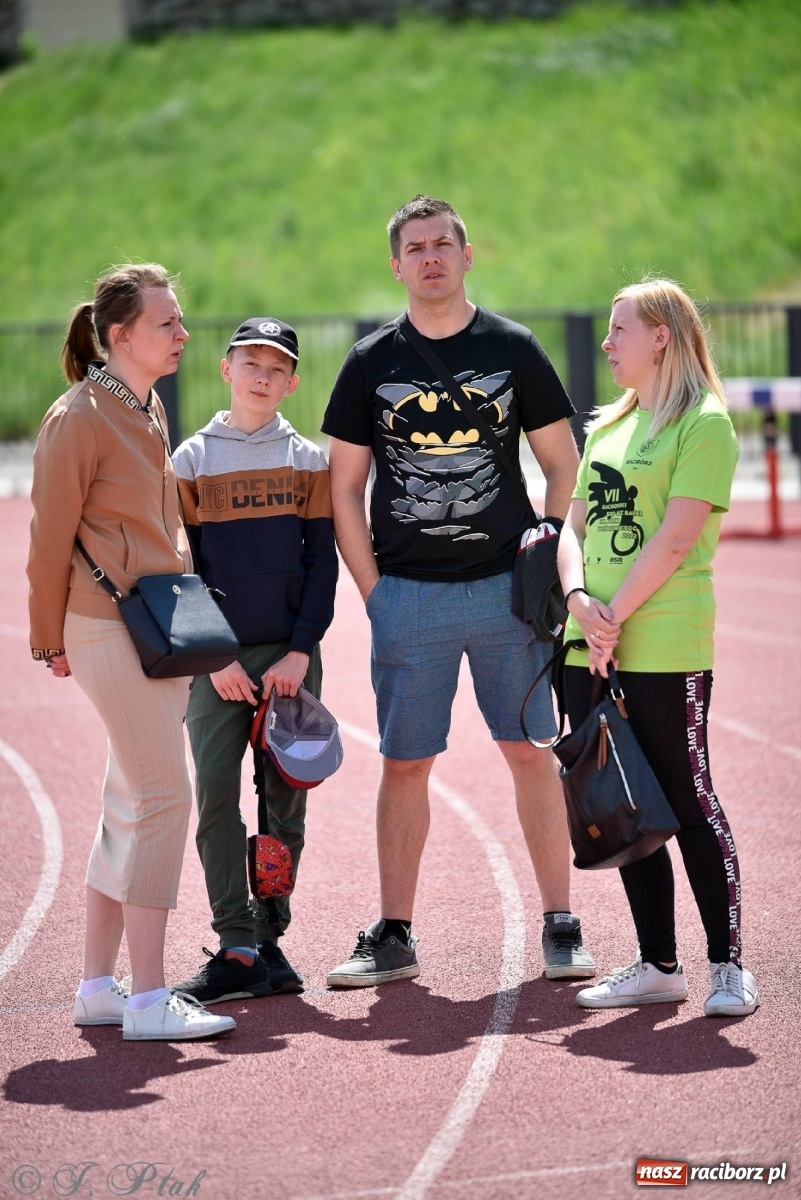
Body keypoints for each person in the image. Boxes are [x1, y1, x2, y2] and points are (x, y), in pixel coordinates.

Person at [321, 195, 595, 987]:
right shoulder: (371, 362)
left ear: (467, 256)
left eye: (444, 243)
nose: (431, 256)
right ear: (397, 264)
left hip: (507, 595)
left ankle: (559, 922)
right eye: (416, 247)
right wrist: (374, 593)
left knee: (528, 753)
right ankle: (396, 933)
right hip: (408, 594)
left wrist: (544, 551)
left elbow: (561, 463)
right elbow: (344, 489)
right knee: (405, 763)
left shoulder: (512, 348)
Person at [27, 263, 235, 1041]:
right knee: (162, 800)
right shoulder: (79, 416)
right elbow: (48, 541)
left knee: (127, 804)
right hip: (108, 626)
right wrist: (49, 637)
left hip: (151, 625)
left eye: (180, 321)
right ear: (120, 336)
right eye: (168, 323)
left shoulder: (139, 404)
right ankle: (148, 999)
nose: (183, 334)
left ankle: (97, 991)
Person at [557, 277, 760, 1017]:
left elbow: (676, 540)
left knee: (687, 798)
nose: (606, 344)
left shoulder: (703, 424)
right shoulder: (607, 427)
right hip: (590, 645)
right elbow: (570, 531)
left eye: (618, 331)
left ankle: (728, 966)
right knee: (622, 807)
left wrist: (609, 616)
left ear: (660, 338)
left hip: (664, 646)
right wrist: (581, 603)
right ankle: (657, 964)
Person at [170, 317, 338, 1004]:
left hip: (288, 661)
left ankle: (270, 939)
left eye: (276, 367)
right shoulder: (190, 461)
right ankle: (234, 944)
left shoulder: (306, 461)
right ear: (226, 370)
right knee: (215, 798)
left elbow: (322, 565)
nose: (262, 375)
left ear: (291, 381)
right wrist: (213, 657)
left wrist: (299, 650)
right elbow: (176, 571)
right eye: (251, 363)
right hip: (217, 663)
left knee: (284, 808)